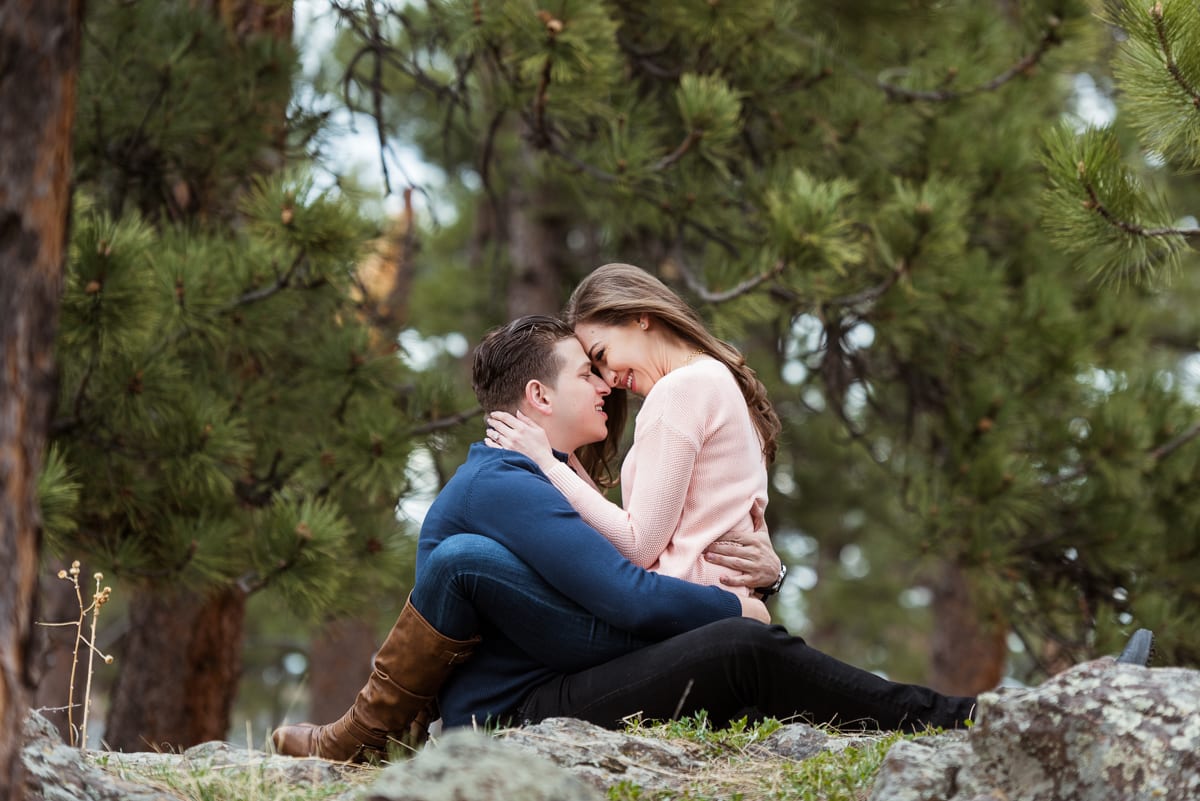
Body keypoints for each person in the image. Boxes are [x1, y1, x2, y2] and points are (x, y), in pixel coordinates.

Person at [272, 314, 1018, 763]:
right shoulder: (502, 482)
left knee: (743, 651)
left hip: (554, 689)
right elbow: (627, 599)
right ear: (538, 396)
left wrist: (768, 577)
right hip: (516, 713)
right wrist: (738, 613)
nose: (605, 385)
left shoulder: (545, 480)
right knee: (744, 647)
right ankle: (960, 720)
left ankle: (961, 718)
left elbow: (636, 578)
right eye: (585, 374)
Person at [484, 263, 786, 607]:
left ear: (639, 317)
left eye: (602, 355)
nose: (609, 379)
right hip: (713, 606)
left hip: (688, 611)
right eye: (595, 371)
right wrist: (565, 462)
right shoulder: (717, 380)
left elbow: (638, 545)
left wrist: (547, 465)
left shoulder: (680, 389)